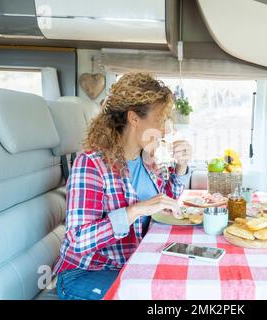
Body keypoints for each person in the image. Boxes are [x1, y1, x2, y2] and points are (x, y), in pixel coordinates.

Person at [53, 72, 192, 300]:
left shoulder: (149, 161)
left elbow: (165, 205)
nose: (166, 130)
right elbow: (77, 239)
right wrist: (136, 210)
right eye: (160, 120)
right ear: (134, 118)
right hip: (87, 272)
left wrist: (181, 167)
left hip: (131, 262)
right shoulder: (91, 164)